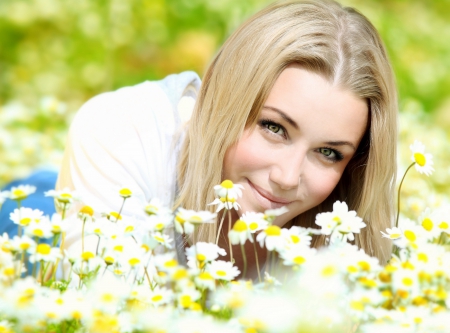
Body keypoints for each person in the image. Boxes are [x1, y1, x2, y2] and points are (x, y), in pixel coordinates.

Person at [57, 0, 397, 268]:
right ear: (225, 98)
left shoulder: (346, 231)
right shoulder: (121, 131)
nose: (287, 178)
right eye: (274, 128)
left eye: (328, 153)